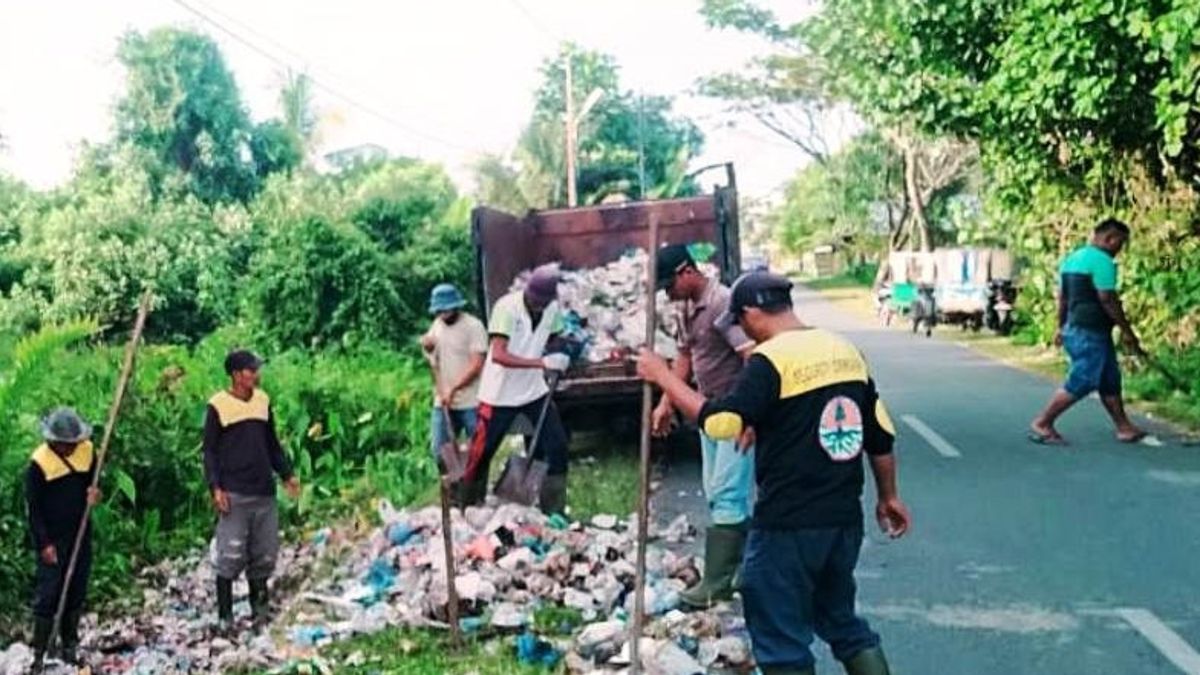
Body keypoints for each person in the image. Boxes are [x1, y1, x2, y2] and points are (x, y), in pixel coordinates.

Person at [637, 272, 910, 675]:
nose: (743, 331)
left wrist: (662, 377)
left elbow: (721, 423)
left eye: (740, 322)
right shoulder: (844, 351)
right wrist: (889, 497)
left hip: (788, 524)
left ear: (750, 313)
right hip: (841, 522)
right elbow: (880, 434)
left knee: (779, 637)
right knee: (841, 620)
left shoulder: (771, 361)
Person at [651, 244, 756, 609]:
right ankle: (745, 567)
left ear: (687, 271)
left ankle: (717, 582)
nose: (668, 293)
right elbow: (685, 355)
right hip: (707, 411)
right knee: (716, 490)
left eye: (669, 285)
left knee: (728, 492)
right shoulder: (683, 308)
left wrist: (751, 413)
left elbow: (751, 358)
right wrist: (667, 401)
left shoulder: (722, 303)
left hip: (735, 412)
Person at [457, 265, 572, 512]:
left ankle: (553, 510)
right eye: (532, 299)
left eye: (541, 302)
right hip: (499, 394)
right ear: (527, 291)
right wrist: (541, 362)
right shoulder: (506, 308)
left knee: (557, 446)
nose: (536, 304)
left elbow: (555, 337)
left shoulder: (551, 309)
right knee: (482, 452)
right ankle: (466, 504)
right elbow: (498, 354)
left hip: (534, 391)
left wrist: (561, 352)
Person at [202, 350, 301, 633]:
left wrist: (286, 473)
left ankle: (260, 609)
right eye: (251, 370)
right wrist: (216, 487)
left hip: (263, 491)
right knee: (230, 554)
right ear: (236, 375)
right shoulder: (218, 406)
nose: (256, 375)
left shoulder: (262, 401)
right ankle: (225, 615)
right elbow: (209, 451)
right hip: (234, 491)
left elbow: (271, 442)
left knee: (264, 553)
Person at [1029, 218, 1147, 445]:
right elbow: (1107, 298)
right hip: (1089, 332)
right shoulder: (1103, 262)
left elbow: (1063, 298)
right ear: (1109, 239)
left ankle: (1124, 427)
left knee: (1109, 380)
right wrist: (1127, 331)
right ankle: (1043, 422)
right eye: (1119, 244)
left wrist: (1060, 327)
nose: (1119, 250)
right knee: (1083, 379)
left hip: (1077, 328)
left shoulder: (1072, 259)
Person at [26, 407, 101, 671]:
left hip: (80, 529)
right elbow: (33, 509)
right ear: (53, 441)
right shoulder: (38, 465)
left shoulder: (87, 451)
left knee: (77, 588)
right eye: (65, 445)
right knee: (49, 592)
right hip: (52, 537)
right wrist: (43, 544)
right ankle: (40, 652)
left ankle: (70, 645)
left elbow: (94, 480)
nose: (70, 449)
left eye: (73, 443)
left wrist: (94, 494)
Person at [421, 283, 488, 465]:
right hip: (443, 401)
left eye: (447, 310)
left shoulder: (474, 326)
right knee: (440, 452)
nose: (443, 314)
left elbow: (477, 365)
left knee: (479, 452)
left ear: (457, 306)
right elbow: (434, 363)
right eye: (439, 311)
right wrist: (441, 390)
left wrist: (454, 389)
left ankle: (476, 489)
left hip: (471, 401)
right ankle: (452, 490)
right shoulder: (436, 326)